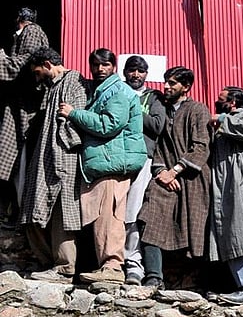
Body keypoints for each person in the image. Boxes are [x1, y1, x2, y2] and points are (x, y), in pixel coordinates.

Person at [60, 48, 146, 284]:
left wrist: (74, 114)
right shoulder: (100, 91)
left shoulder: (117, 91)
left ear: (113, 67)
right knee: (99, 217)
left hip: (112, 162)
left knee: (110, 216)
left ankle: (113, 267)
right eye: (96, 65)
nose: (100, 69)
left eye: (105, 65)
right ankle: (103, 266)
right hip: (104, 162)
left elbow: (108, 125)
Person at [138, 66, 211, 289]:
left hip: (193, 180)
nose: (166, 87)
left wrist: (176, 170)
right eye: (166, 82)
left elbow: (201, 146)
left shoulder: (198, 110)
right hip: (165, 179)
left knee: (194, 229)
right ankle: (153, 277)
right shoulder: (166, 111)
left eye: (172, 83)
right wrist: (161, 172)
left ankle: (195, 281)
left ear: (186, 87)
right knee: (149, 217)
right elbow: (159, 147)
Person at [20, 47, 87, 282]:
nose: (37, 78)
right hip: (44, 158)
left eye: (38, 72)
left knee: (62, 211)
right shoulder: (52, 87)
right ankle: (46, 262)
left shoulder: (73, 81)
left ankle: (64, 267)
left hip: (63, 157)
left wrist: (64, 145)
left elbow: (77, 119)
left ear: (48, 64)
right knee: (31, 209)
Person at [208, 86, 243, 305]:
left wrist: (222, 118)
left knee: (240, 233)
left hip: (240, 187)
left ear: (232, 103)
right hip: (225, 188)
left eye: (220, 99)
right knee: (230, 234)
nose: (216, 102)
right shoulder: (224, 125)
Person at [0, 7, 49, 222]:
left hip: (26, 106)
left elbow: (27, 60)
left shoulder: (32, 31)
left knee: (19, 156)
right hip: (20, 103)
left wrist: (1, 59)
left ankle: (17, 212)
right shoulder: (29, 33)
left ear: (19, 19)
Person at [121, 55, 165, 285]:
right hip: (117, 157)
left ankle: (134, 266)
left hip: (144, 158)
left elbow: (158, 125)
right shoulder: (117, 90)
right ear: (124, 72)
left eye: (140, 71)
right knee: (113, 212)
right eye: (131, 70)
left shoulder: (153, 97)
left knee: (133, 212)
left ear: (146, 74)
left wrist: (133, 108)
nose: (135, 75)